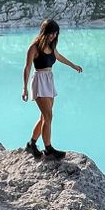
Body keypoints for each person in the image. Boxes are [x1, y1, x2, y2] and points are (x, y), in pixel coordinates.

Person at [22, 18, 82, 160]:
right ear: (44, 31)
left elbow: (59, 57)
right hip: (39, 81)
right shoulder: (34, 47)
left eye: (55, 34)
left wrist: (73, 66)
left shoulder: (51, 46)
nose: (53, 36)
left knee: (44, 116)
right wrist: (24, 88)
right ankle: (48, 149)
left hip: (49, 80)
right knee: (48, 116)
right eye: (51, 33)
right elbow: (27, 67)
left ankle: (32, 144)